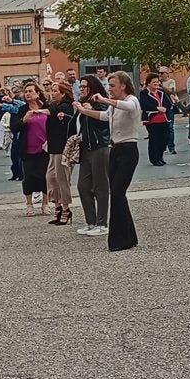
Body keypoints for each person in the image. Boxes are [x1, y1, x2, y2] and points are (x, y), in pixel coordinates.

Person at [73, 71, 141, 252]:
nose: (109, 89)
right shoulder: (112, 106)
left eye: (112, 85)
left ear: (123, 86)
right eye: (109, 85)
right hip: (115, 150)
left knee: (118, 193)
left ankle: (120, 238)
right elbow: (104, 117)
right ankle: (129, 236)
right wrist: (83, 110)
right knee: (118, 194)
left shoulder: (132, 100)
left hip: (128, 150)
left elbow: (128, 108)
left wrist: (104, 100)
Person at [75, 75, 110, 237]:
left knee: (100, 186)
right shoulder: (82, 103)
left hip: (99, 146)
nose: (81, 89)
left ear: (92, 88)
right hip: (86, 148)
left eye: (84, 86)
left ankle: (102, 223)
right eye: (80, 86)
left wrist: (89, 110)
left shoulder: (100, 102)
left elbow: (104, 120)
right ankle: (91, 221)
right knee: (83, 185)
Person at [10, 83, 50, 216]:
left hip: (45, 149)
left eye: (30, 91)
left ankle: (45, 204)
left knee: (45, 177)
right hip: (27, 149)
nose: (27, 94)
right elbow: (14, 127)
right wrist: (24, 120)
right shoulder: (21, 109)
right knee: (28, 177)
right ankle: (29, 204)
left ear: (37, 93)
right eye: (26, 91)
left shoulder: (46, 108)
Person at [45, 81, 77, 225]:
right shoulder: (53, 106)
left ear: (63, 93)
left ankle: (65, 208)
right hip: (53, 147)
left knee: (62, 178)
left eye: (55, 90)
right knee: (50, 177)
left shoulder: (66, 106)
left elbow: (51, 111)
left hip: (63, 148)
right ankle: (57, 204)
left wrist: (39, 111)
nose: (52, 92)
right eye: (51, 90)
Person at [140, 72, 174, 166]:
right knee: (155, 139)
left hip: (163, 118)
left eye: (157, 82)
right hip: (152, 120)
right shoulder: (144, 93)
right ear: (148, 83)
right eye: (154, 82)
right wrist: (156, 108)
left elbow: (168, 103)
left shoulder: (161, 92)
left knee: (165, 138)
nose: (156, 83)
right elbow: (144, 104)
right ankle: (154, 159)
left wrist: (165, 108)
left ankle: (160, 156)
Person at [158, 66, 181, 155]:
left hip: (169, 107)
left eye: (162, 73)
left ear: (167, 74)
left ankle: (171, 147)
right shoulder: (156, 82)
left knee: (169, 127)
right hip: (160, 107)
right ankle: (162, 146)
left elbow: (171, 91)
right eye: (159, 73)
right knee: (161, 128)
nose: (160, 75)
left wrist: (161, 86)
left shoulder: (171, 82)